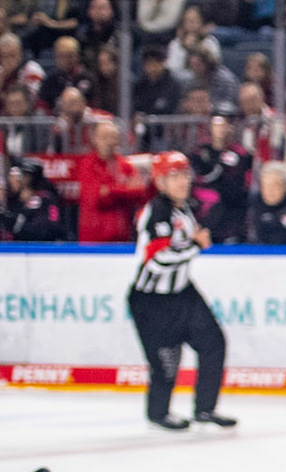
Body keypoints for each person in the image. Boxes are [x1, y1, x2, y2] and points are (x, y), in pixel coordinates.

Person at [128, 151, 233, 432]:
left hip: (183, 293)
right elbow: (158, 260)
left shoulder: (183, 207)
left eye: (184, 174)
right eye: (173, 176)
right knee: (167, 363)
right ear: (160, 181)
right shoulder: (157, 211)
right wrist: (195, 245)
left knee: (214, 344)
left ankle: (205, 409)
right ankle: (158, 413)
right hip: (152, 302)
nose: (182, 181)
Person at [74, 116, 149, 243]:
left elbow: (140, 193)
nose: (109, 141)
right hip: (93, 239)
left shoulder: (124, 165)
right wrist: (125, 191)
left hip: (122, 238)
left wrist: (110, 191)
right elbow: (96, 198)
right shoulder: (87, 165)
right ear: (95, 139)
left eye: (113, 137)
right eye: (104, 137)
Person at [189, 108, 251, 244]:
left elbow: (240, 188)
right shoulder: (200, 152)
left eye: (225, 124)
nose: (221, 129)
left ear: (231, 127)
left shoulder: (240, 154)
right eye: (217, 124)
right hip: (203, 214)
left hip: (229, 216)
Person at [4, 156, 70, 240]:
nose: (12, 179)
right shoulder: (10, 199)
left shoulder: (45, 199)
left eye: (16, 175)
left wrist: (16, 221)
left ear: (28, 178)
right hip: (11, 250)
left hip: (39, 249)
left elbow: (49, 229)